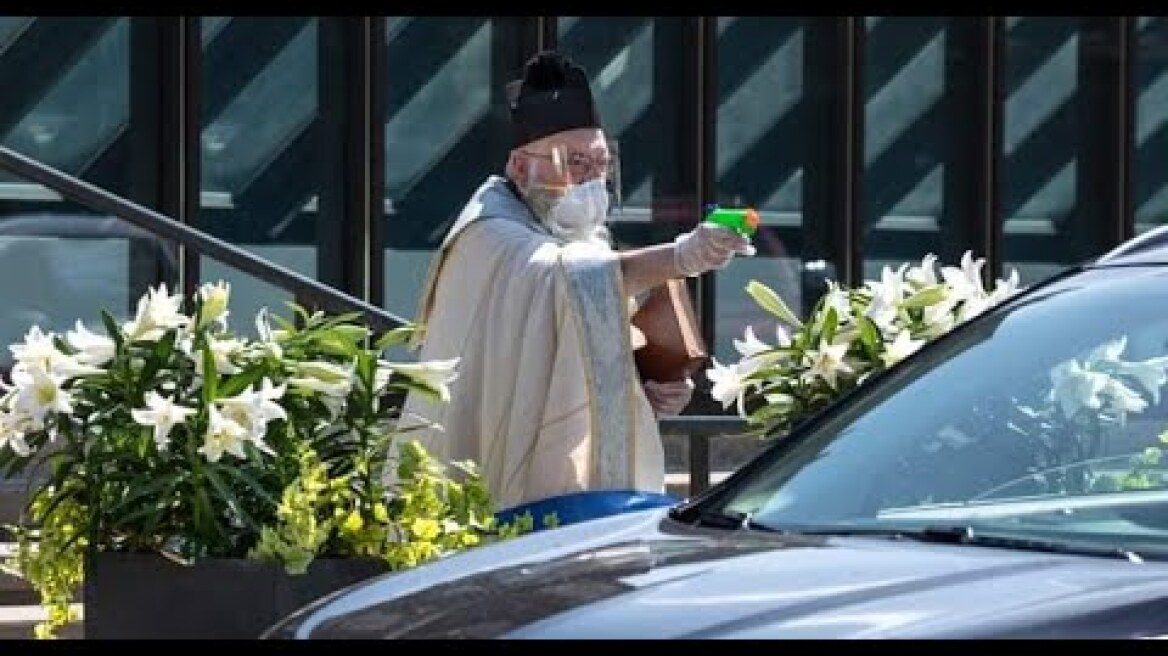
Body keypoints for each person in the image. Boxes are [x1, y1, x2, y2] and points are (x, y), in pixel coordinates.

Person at [396, 50, 754, 512]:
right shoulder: (487, 232)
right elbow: (569, 281)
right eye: (574, 163)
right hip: (490, 458)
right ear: (520, 168)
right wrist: (680, 257)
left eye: (601, 164)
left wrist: (645, 389)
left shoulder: (577, 236)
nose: (592, 180)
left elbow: (578, 341)